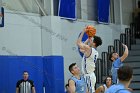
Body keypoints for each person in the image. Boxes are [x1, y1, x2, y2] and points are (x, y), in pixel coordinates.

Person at [76, 27, 102, 92]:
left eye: (91, 40)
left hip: (89, 76)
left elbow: (78, 43)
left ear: (94, 43)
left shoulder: (89, 49)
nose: (90, 40)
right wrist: (88, 38)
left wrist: (83, 32)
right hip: (89, 75)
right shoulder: (93, 51)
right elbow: (81, 49)